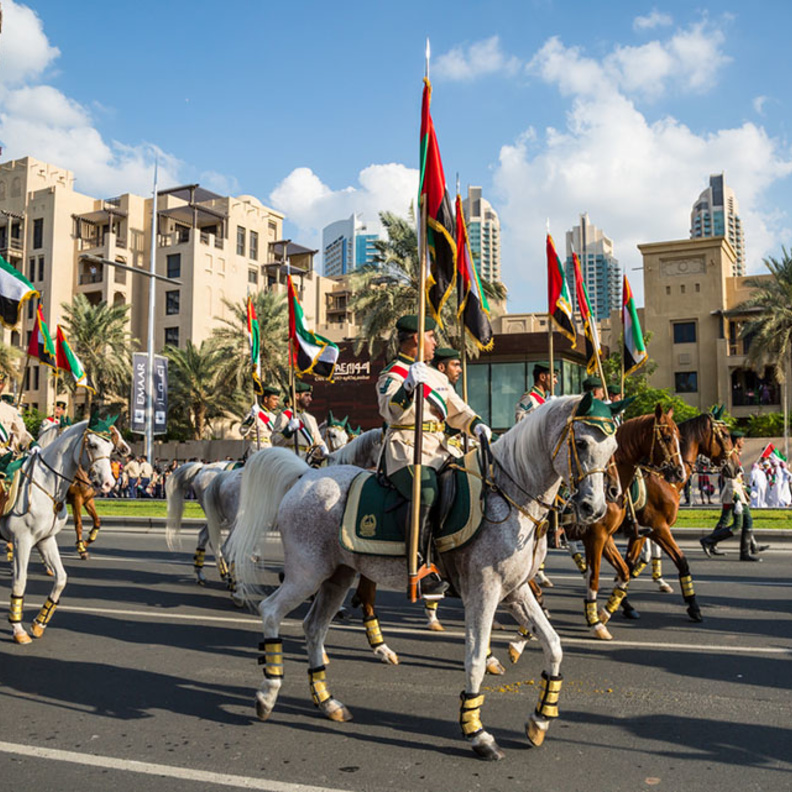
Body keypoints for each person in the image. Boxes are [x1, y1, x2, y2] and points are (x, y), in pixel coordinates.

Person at [378, 315, 491, 599]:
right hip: (406, 450)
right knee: (426, 492)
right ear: (416, 338)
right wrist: (407, 387)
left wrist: (476, 425)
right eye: (431, 336)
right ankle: (419, 566)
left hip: (439, 449)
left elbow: (457, 410)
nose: (435, 343)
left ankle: (452, 559)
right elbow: (390, 412)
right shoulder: (393, 374)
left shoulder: (437, 377)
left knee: (470, 483)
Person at [699, 430, 768, 561]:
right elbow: (730, 478)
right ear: (737, 441)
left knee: (745, 521)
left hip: (738, 492)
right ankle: (709, 541)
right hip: (734, 494)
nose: (743, 442)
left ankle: (748, 550)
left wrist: (747, 490)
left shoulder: (734, 454)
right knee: (736, 524)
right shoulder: (730, 455)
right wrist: (736, 498)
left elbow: (738, 478)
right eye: (742, 440)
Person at [273, 381, 328, 459]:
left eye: (310, 396)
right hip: (292, 457)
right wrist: (288, 430)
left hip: (309, 458)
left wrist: (324, 448)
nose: (310, 399)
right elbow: (275, 441)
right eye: (306, 395)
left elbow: (318, 440)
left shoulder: (311, 418)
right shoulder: (285, 415)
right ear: (297, 396)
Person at [431, 347, 466, 459]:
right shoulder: (432, 388)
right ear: (441, 367)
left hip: (451, 450)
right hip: (432, 450)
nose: (460, 370)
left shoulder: (448, 388)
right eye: (455, 365)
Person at [240, 385, 281, 450]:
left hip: (271, 448)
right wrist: (252, 417)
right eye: (274, 399)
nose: (277, 402)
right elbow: (243, 431)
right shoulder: (255, 414)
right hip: (257, 447)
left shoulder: (274, 417)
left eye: (278, 400)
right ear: (266, 399)